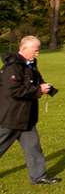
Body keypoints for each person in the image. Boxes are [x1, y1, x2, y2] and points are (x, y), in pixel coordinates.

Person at [0, 36, 61, 185]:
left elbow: (37, 80)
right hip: (11, 117)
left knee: (33, 146)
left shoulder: (30, 64)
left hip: (27, 117)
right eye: (35, 51)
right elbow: (13, 91)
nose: (37, 54)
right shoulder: (12, 67)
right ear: (24, 49)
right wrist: (38, 90)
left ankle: (38, 176)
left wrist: (49, 89)